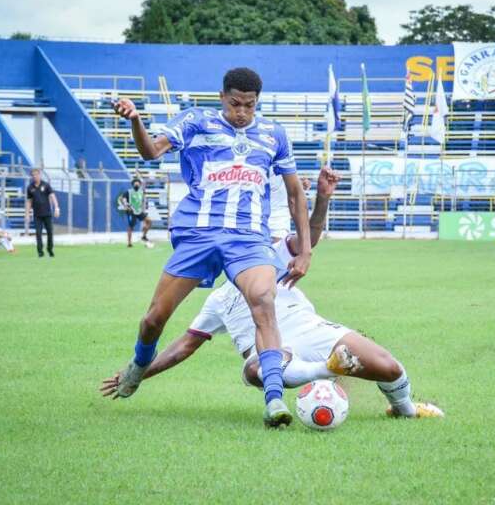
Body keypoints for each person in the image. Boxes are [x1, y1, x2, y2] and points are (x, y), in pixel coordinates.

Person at [100, 167, 443, 419]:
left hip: (312, 329)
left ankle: (405, 410)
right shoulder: (217, 300)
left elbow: (311, 236)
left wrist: (322, 198)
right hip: (272, 354)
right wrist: (137, 373)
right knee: (256, 371)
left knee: (389, 366)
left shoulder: (270, 255)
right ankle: (326, 369)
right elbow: (181, 348)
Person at [110, 67, 312, 428]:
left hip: (249, 239)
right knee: (154, 318)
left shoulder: (273, 134)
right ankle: (139, 364)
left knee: (264, 303)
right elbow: (150, 152)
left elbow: (295, 193)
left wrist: (306, 250)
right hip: (199, 235)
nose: (242, 112)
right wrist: (136, 121)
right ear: (222, 97)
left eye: (250, 105)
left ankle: (274, 399)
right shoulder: (195, 121)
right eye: (235, 104)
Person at [25, 168, 60, 258]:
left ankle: (50, 249)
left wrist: (56, 208)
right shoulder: (30, 187)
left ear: (39, 175)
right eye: (33, 175)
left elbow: (52, 196)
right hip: (37, 215)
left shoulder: (46, 185)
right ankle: (40, 252)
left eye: (36, 175)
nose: (34, 177)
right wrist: (27, 214)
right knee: (38, 233)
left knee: (50, 232)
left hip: (47, 214)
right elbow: (29, 201)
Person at [118, 177, 152, 248]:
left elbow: (142, 201)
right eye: (135, 184)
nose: (137, 185)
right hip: (131, 211)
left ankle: (144, 236)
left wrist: (144, 207)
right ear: (133, 185)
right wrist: (126, 206)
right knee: (131, 226)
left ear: (140, 184)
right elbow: (121, 198)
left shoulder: (141, 192)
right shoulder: (129, 192)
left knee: (149, 221)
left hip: (139, 211)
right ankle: (129, 243)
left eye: (138, 183)